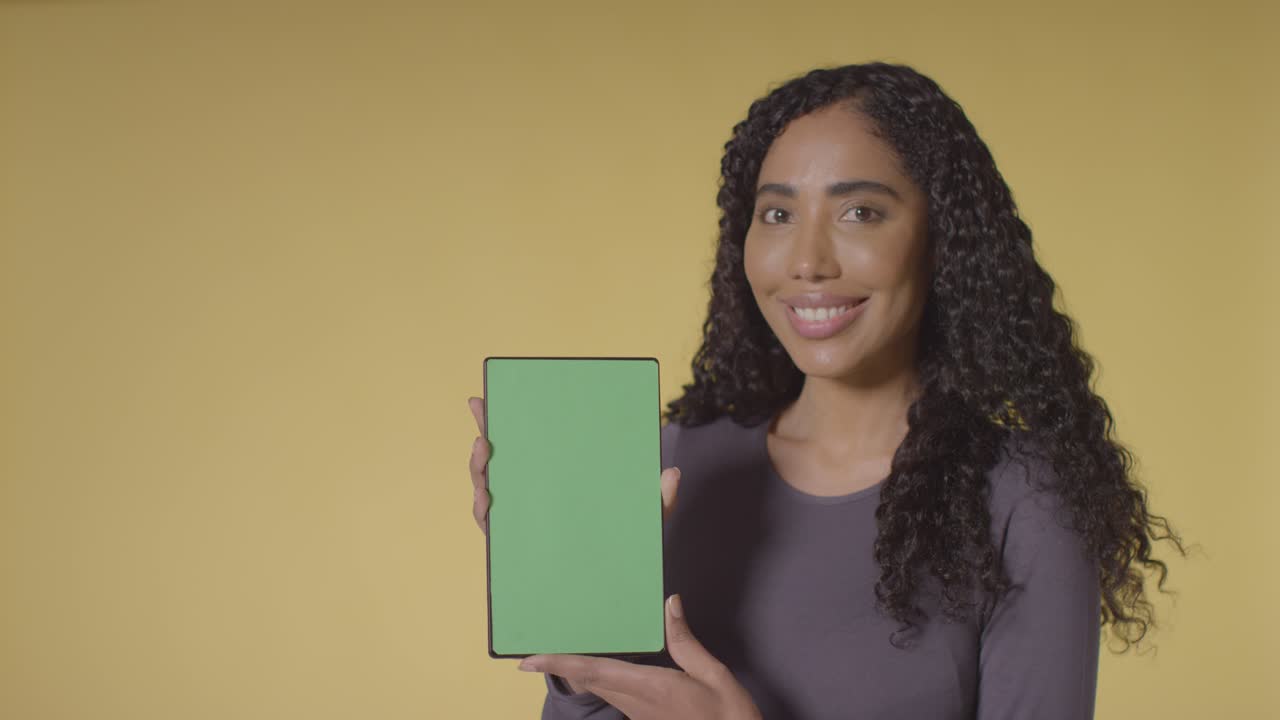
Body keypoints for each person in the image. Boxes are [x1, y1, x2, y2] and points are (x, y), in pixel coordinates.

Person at [465, 62, 1184, 720]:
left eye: (860, 211)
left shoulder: (1022, 501)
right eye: (777, 214)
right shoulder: (682, 462)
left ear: (942, 242)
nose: (807, 261)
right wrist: (570, 609)